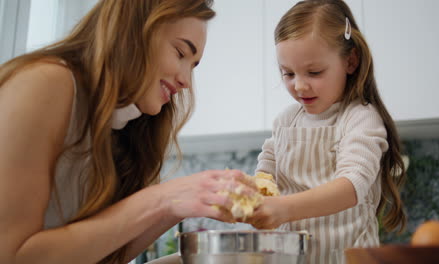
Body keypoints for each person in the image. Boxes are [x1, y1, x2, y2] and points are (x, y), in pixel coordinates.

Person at [0, 0, 257, 263]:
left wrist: (184, 203)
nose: (185, 81)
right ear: (134, 33)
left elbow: (104, 257)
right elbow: (12, 256)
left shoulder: (125, 124)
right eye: (180, 53)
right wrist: (163, 199)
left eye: (192, 66)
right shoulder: (45, 83)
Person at [244, 0, 407, 263]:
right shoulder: (286, 120)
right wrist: (255, 189)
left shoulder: (360, 119)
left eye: (314, 72)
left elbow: (352, 186)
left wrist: (283, 209)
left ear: (350, 61)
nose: (299, 86)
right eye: (287, 73)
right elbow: (268, 165)